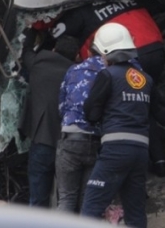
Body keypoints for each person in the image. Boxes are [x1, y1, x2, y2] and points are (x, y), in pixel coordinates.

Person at [52, 0, 165, 176]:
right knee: (145, 106)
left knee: (127, 109)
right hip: (155, 46)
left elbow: (55, 34)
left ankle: (140, 166)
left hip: (128, 54)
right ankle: (159, 160)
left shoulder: (77, 16)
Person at [80, 23, 165, 228]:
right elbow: (163, 114)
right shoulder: (145, 78)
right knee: (135, 212)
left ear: (106, 53)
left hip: (115, 150)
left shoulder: (107, 75)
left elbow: (91, 113)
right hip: (140, 152)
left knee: (90, 207)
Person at [22, 33, 78, 207]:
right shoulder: (77, 74)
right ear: (76, 57)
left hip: (42, 140)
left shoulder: (39, 63)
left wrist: (31, 32)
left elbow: (25, 52)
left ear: (54, 49)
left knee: (38, 199)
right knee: (68, 199)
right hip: (71, 145)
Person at [56, 43, 107, 213]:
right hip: (96, 139)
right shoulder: (110, 72)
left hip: (70, 138)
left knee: (66, 197)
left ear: (88, 51)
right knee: (88, 198)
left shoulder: (73, 70)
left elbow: (61, 106)